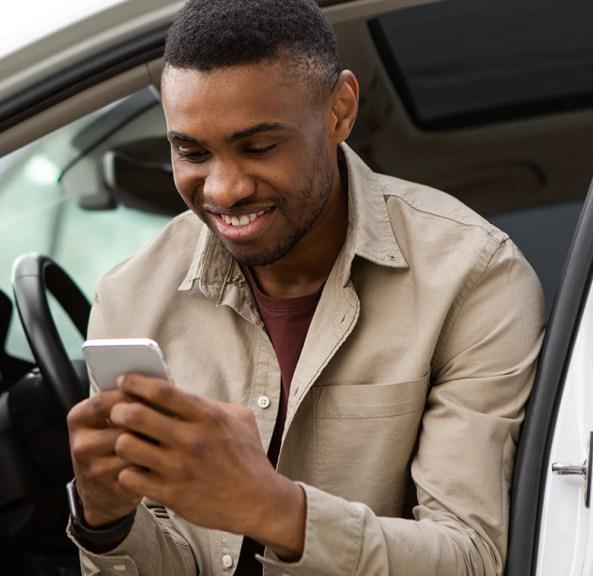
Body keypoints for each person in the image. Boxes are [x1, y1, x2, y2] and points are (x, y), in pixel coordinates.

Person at [63, 0, 546, 574]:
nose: (224, 190)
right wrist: (108, 521)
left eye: (259, 147)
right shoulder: (131, 296)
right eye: (191, 152)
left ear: (340, 110)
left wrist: (275, 510)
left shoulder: (473, 277)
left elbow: (471, 558)